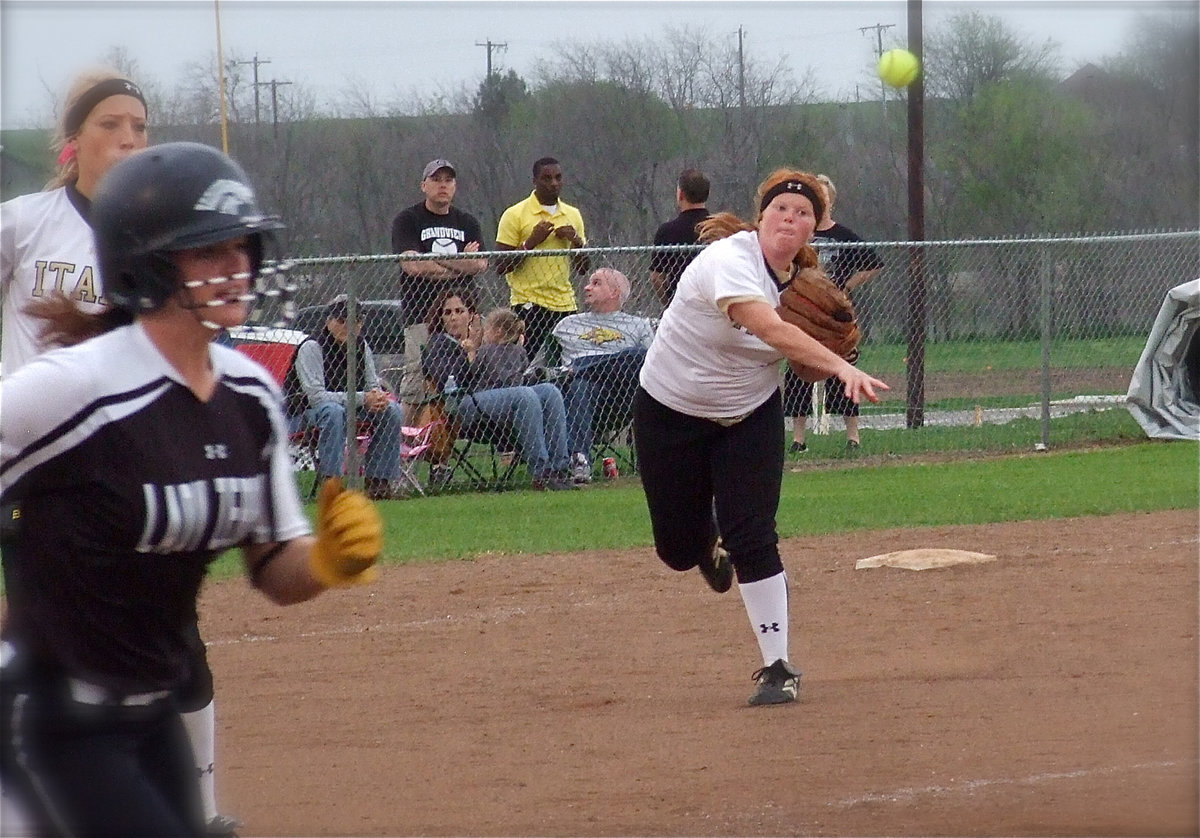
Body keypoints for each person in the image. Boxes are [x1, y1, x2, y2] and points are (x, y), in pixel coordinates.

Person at [0, 141, 383, 838]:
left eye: (243, 247)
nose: (237, 267)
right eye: (209, 252)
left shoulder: (249, 399)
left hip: (151, 719)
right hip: (50, 718)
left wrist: (326, 560)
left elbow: (275, 569)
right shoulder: (75, 391)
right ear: (145, 264)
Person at [0, 68, 242, 838]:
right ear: (74, 142)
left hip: (135, 466)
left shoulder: (151, 237)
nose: (131, 139)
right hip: (37, 468)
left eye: (140, 126)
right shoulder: (25, 224)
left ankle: (197, 814)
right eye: (112, 124)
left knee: (171, 642)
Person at [633, 168, 888, 706]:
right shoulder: (728, 259)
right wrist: (842, 368)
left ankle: (778, 667)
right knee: (677, 551)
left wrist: (826, 355)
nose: (790, 219)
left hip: (748, 415)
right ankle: (705, 538)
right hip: (670, 410)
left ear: (815, 230)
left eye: (803, 214)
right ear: (761, 217)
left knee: (754, 536)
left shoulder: (806, 286)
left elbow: (800, 365)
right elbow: (768, 328)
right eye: (781, 210)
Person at [421, 289, 576, 491]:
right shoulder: (439, 344)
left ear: (472, 315)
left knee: (549, 392)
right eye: (447, 313)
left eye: (459, 311)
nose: (453, 317)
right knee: (524, 395)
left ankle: (559, 470)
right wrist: (471, 352)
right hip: (464, 404)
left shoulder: (490, 342)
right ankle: (541, 472)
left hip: (502, 400)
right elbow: (449, 382)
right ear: (440, 318)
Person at [784, 173, 885, 453]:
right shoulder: (802, 234)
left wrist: (846, 286)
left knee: (842, 372)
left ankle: (852, 437)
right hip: (805, 317)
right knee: (798, 373)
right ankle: (798, 439)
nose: (820, 202)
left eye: (824, 197)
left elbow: (874, 263)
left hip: (835, 319)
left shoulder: (843, 235)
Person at [391, 159, 488, 424]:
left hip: (463, 317)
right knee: (416, 384)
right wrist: (460, 263)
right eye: (436, 179)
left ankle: (444, 454)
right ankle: (406, 451)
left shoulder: (467, 221)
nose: (442, 185)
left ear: (455, 186)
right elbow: (412, 265)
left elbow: (480, 263)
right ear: (424, 185)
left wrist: (434, 259)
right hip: (422, 316)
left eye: (448, 180)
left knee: (465, 381)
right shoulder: (408, 220)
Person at [285, 294, 407, 501]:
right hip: (302, 414)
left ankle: (379, 483)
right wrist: (363, 398)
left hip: (346, 407)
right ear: (328, 321)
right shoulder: (312, 347)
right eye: (341, 320)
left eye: (354, 321)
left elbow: (371, 385)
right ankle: (331, 486)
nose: (347, 326)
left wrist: (377, 397)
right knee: (333, 412)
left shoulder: (362, 346)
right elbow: (316, 397)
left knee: (391, 410)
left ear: (361, 323)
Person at [551, 268, 655, 482]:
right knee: (580, 385)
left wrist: (579, 368)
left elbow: (652, 365)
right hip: (575, 394)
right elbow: (540, 366)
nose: (587, 287)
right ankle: (580, 461)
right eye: (589, 282)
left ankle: (579, 368)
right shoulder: (567, 324)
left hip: (618, 397)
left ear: (614, 293)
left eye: (597, 283)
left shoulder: (637, 325)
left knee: (638, 355)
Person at [493, 157, 589, 362]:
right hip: (529, 305)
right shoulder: (515, 214)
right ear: (534, 181)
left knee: (565, 365)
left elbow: (583, 268)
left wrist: (577, 243)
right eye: (546, 178)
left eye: (558, 177)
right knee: (529, 365)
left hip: (565, 304)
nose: (553, 183)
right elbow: (500, 266)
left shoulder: (572, 214)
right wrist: (531, 242)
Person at [649, 167, 711, 306]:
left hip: (682, 302)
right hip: (714, 303)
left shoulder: (667, 231)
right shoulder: (719, 229)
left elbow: (657, 277)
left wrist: (669, 305)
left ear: (681, 194)